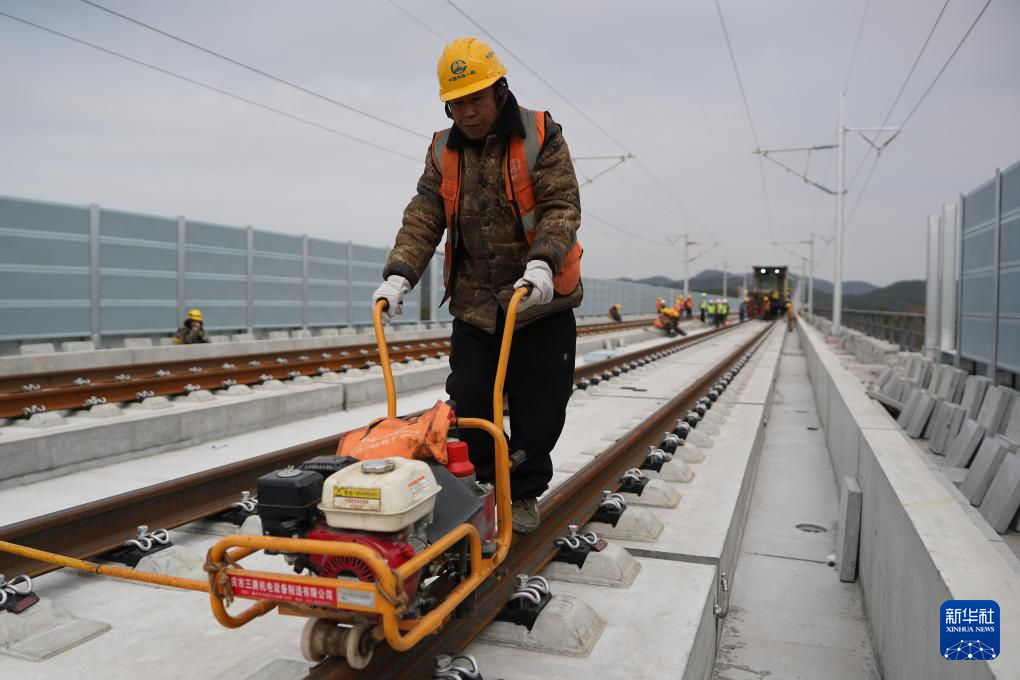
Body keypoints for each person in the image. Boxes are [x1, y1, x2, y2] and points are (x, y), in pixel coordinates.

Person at [372, 37, 582, 534]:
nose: (467, 112)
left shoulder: (540, 134)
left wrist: (543, 264)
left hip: (539, 300)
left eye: (476, 99)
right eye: (456, 103)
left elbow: (560, 206)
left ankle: (524, 492)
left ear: (499, 91)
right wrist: (400, 273)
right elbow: (424, 214)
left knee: (539, 407)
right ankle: (488, 480)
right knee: (469, 400)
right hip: (475, 304)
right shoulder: (443, 150)